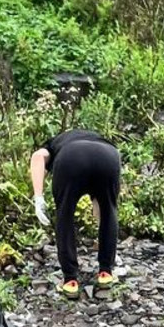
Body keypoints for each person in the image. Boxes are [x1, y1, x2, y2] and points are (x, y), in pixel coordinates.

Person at [30, 129, 121, 300]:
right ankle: (105, 272)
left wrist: (38, 197)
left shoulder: (52, 144)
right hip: (108, 155)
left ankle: (70, 281)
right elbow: (101, 213)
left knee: (64, 215)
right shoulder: (96, 138)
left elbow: (38, 157)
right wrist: (108, 243)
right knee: (109, 211)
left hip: (70, 158)